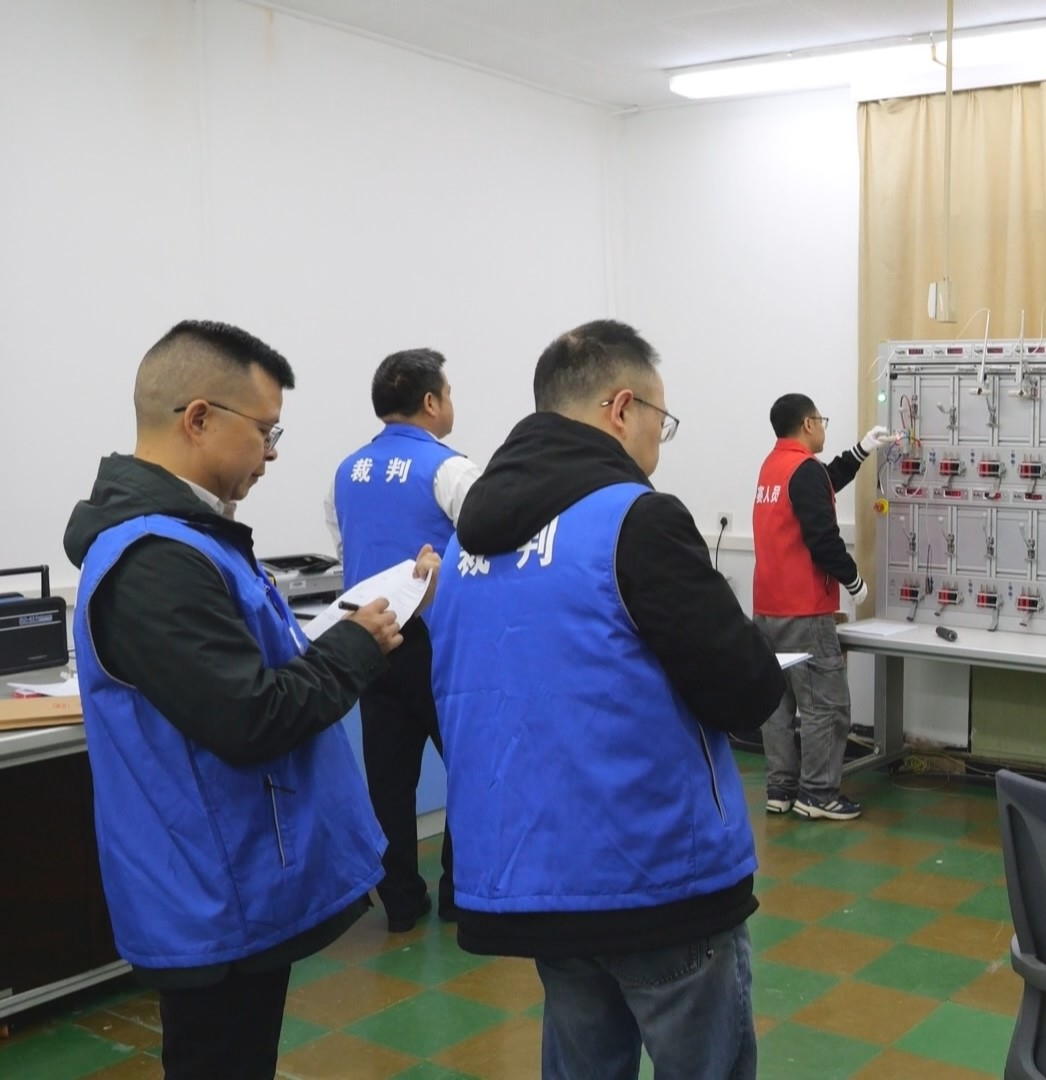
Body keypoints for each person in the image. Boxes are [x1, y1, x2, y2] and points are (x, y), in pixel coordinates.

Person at [64, 320, 432, 1079]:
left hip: (234, 878)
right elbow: (250, 716)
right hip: (211, 891)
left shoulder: (193, 538)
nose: (271, 453)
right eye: (265, 431)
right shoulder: (155, 560)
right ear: (198, 418)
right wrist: (357, 645)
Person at [427, 319, 785, 1080]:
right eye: (661, 421)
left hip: (537, 881)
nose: (659, 442)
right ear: (622, 409)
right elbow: (747, 688)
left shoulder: (466, 545)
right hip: (656, 876)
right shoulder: (634, 521)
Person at [325, 348, 479, 931]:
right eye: (449, 393)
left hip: (371, 643)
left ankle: (402, 904)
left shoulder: (346, 472)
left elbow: (346, 547)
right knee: (469, 766)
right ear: (432, 402)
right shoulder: (451, 470)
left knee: (388, 780)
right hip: (440, 647)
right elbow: (488, 547)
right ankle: (461, 896)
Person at [751, 393, 894, 820]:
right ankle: (817, 794)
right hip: (804, 614)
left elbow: (823, 483)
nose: (823, 427)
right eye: (822, 420)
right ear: (809, 424)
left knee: (778, 705)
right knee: (825, 706)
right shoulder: (804, 470)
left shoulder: (773, 467)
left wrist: (861, 450)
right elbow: (823, 537)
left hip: (767, 612)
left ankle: (781, 789)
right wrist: (854, 580)